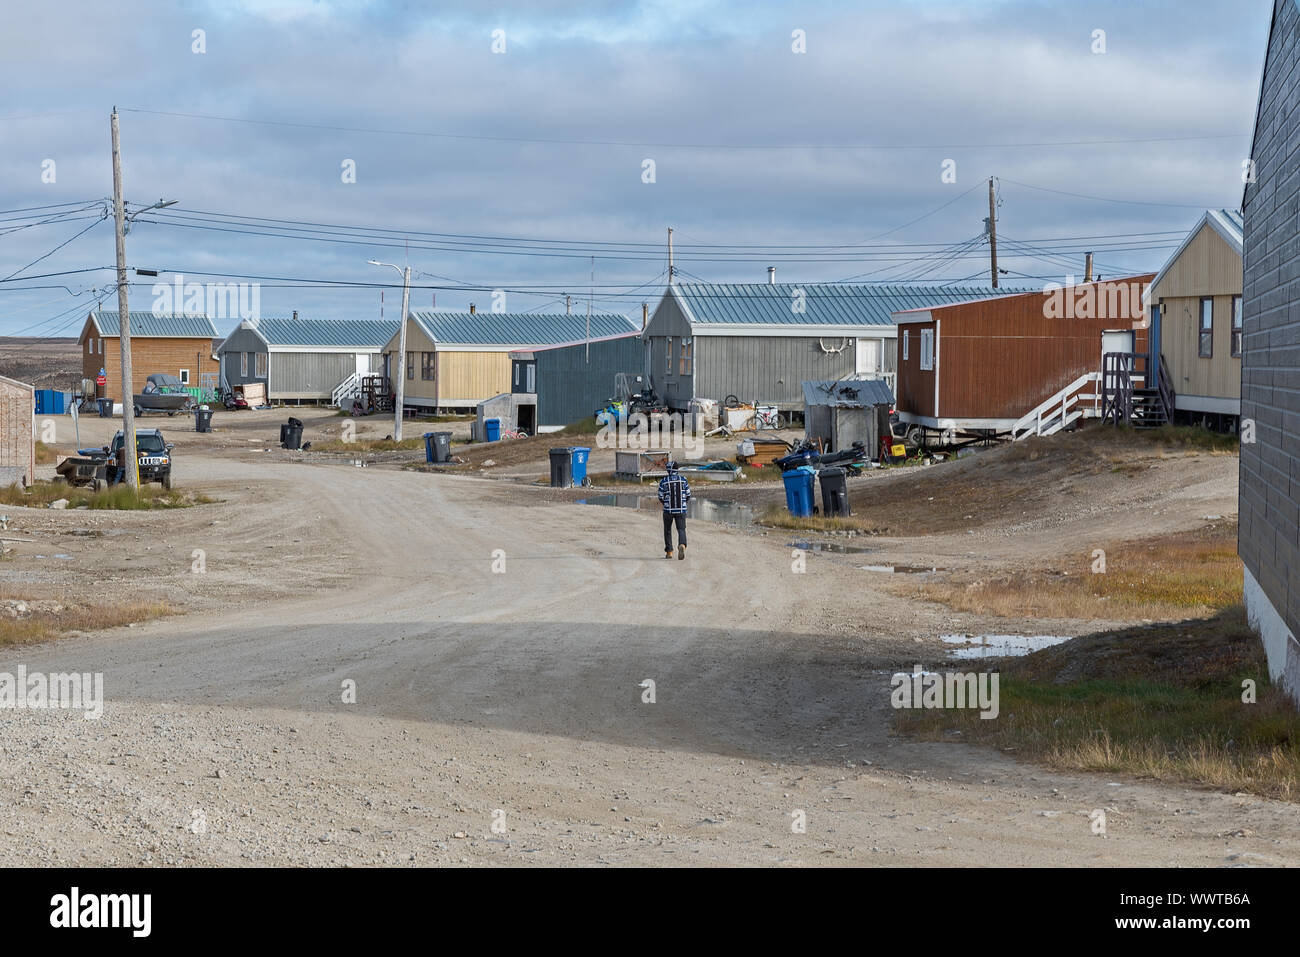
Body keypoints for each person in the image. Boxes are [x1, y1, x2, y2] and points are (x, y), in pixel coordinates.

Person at [657, 460, 691, 560]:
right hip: (681, 510)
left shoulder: (664, 481)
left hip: (668, 510)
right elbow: (688, 495)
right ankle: (682, 545)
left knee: (667, 530)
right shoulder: (683, 480)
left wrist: (665, 504)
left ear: (668, 470)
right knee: (681, 529)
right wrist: (683, 503)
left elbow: (660, 496)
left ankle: (669, 552)